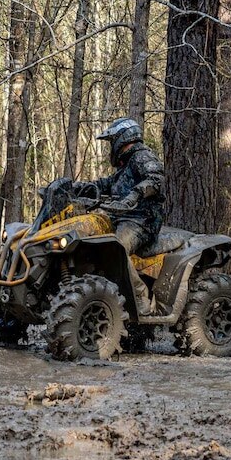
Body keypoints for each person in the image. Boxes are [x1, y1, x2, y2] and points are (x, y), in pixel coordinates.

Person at [78, 117, 166, 315]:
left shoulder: (142, 156)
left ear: (122, 138)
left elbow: (156, 179)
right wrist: (78, 188)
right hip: (122, 219)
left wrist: (134, 195)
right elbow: (104, 185)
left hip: (142, 221)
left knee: (115, 247)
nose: (111, 147)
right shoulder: (124, 166)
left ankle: (141, 297)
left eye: (112, 141)